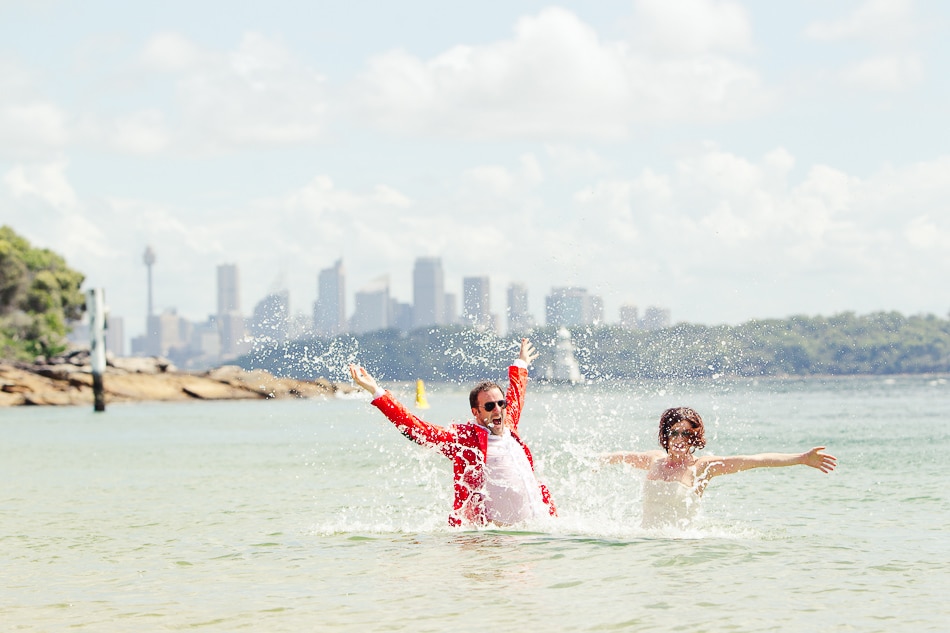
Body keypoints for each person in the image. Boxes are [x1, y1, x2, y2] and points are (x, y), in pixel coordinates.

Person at [348, 338, 557, 528]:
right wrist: (377, 391)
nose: (497, 410)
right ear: (476, 412)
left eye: (501, 403)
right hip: (495, 541)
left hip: (537, 535)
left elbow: (517, 391)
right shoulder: (465, 440)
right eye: (489, 406)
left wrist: (521, 363)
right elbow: (417, 429)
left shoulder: (508, 422)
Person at [602, 406, 837, 529]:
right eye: (674, 433)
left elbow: (754, 460)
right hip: (647, 546)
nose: (680, 439)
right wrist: (596, 461)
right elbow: (613, 457)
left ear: (695, 437)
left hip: (681, 547)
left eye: (687, 433)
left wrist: (802, 458)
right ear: (665, 435)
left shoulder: (703, 467)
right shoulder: (653, 460)